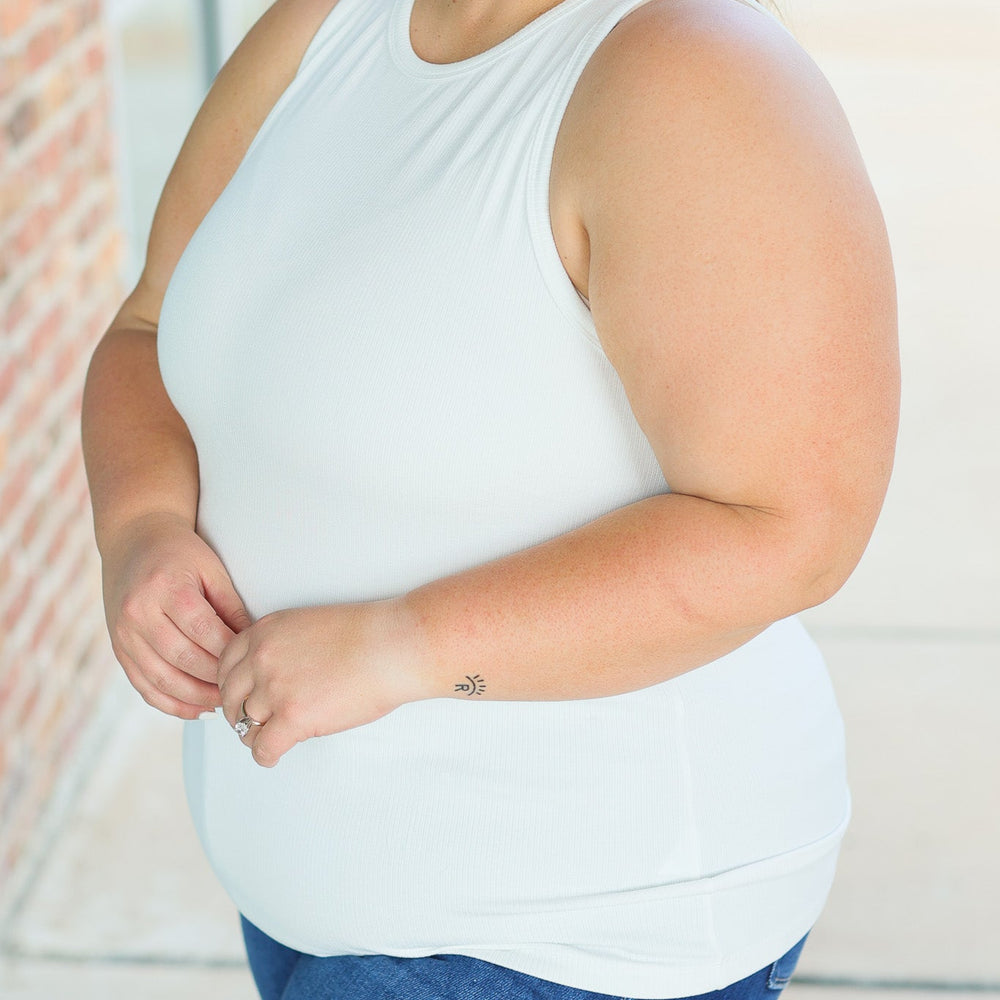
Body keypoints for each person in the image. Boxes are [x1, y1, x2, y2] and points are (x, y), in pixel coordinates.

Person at [80, 0, 899, 995]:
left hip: (564, 936)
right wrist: (141, 524)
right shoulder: (328, 23)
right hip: (302, 898)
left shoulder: (693, 72)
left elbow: (790, 524)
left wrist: (399, 644)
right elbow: (148, 323)